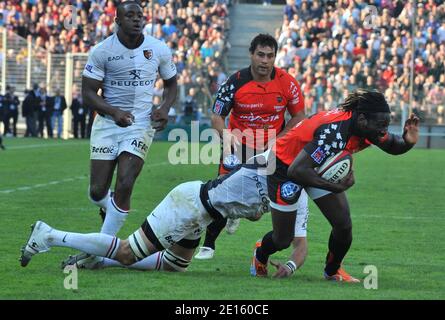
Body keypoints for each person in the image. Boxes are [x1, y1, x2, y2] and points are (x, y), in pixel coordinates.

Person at [251, 89, 419, 281]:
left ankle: (332, 271)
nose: (383, 131)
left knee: (343, 225)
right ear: (362, 119)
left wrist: (408, 142)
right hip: (284, 166)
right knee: (283, 239)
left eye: (386, 126)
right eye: (380, 126)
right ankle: (260, 253)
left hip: (315, 165)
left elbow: (392, 145)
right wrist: (335, 187)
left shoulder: (367, 126)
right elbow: (297, 171)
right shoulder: (335, 132)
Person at [20, 162, 306, 274]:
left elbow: (293, 238)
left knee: (174, 266)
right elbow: (233, 170)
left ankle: (98, 259)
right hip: (190, 204)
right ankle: (49, 235)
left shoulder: (296, 192)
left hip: (200, 214)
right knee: (127, 252)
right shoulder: (269, 160)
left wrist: (245, 211)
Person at [63, 1, 177, 265]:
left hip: (139, 124)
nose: (136, 19)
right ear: (118, 20)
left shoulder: (158, 49)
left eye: (140, 16)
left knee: (125, 183)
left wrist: (164, 108)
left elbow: (172, 85)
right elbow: (88, 93)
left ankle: (97, 253)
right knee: (96, 191)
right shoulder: (102, 51)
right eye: (130, 15)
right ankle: (111, 210)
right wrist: (114, 111)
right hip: (107, 124)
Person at [195, 33, 306, 260]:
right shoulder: (234, 82)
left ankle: (238, 213)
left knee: (255, 213)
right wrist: (226, 136)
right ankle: (208, 244)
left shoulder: (288, 83)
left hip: (272, 149)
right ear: (251, 55)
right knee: (220, 191)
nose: (265, 61)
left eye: (270, 56)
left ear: (275, 57)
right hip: (239, 144)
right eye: (260, 55)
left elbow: (299, 117)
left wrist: (281, 139)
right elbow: (217, 116)